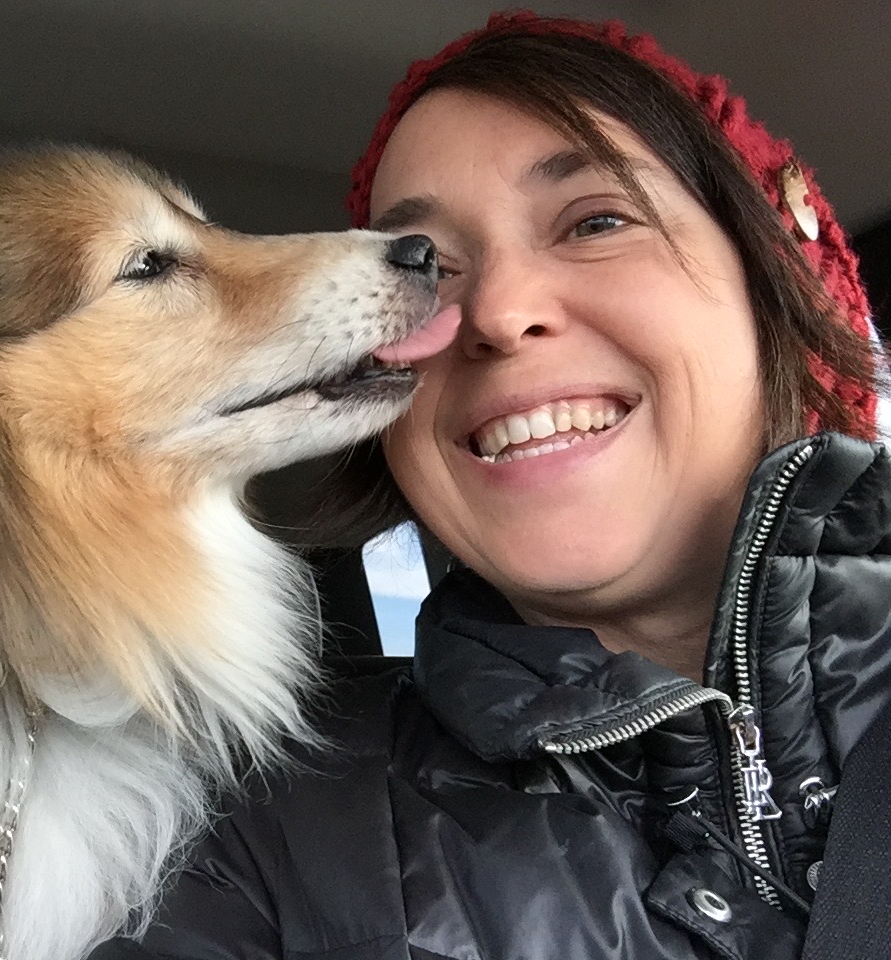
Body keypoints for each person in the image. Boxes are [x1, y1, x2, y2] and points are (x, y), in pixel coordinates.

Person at [89, 13, 890, 959]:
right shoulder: (256, 843)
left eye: (595, 222)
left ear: (778, 286)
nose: (498, 313)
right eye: (425, 269)